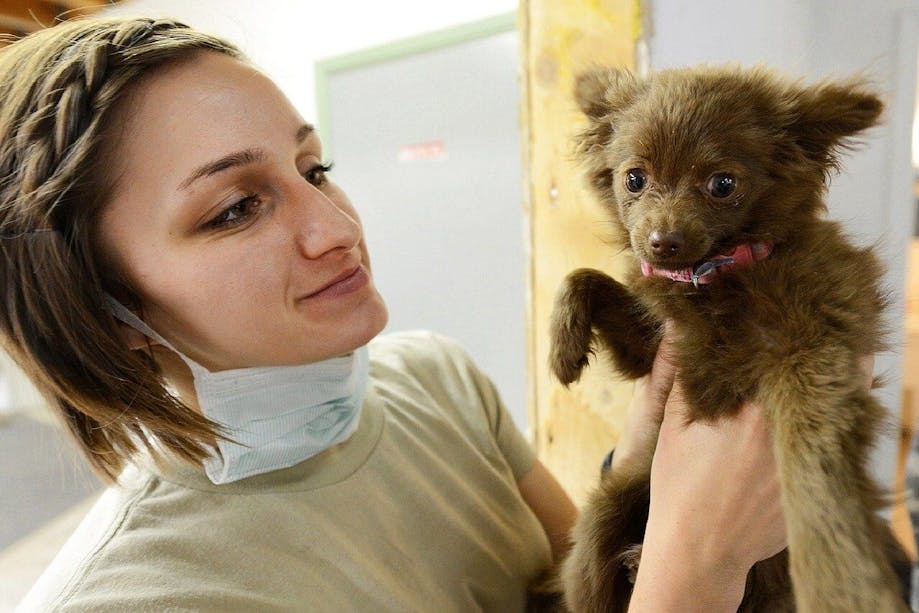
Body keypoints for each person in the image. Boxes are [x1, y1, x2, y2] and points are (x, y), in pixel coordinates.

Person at [2, 17, 786, 612]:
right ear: (102, 317)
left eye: (316, 169)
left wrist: (641, 475)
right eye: (237, 207)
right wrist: (698, 564)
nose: (338, 228)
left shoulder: (435, 378)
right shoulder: (137, 595)